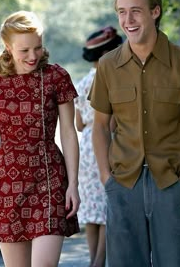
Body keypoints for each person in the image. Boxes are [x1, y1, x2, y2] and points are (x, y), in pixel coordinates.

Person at [88, 0, 180, 267]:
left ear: (155, 12)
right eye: (122, 12)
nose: (128, 20)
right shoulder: (108, 66)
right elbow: (99, 126)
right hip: (123, 184)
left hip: (171, 183)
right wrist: (105, 178)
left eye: (135, 11)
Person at [0, 10, 80, 267]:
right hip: (7, 185)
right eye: (24, 50)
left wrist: (74, 184)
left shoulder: (56, 77)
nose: (33, 56)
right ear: (7, 46)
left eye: (37, 47)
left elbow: (69, 133)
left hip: (50, 180)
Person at [75, 26, 122, 267]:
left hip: (85, 151)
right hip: (106, 146)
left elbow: (80, 123)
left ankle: (94, 260)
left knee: (91, 212)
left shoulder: (82, 83)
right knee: (106, 209)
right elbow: (112, 123)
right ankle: (100, 262)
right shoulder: (112, 80)